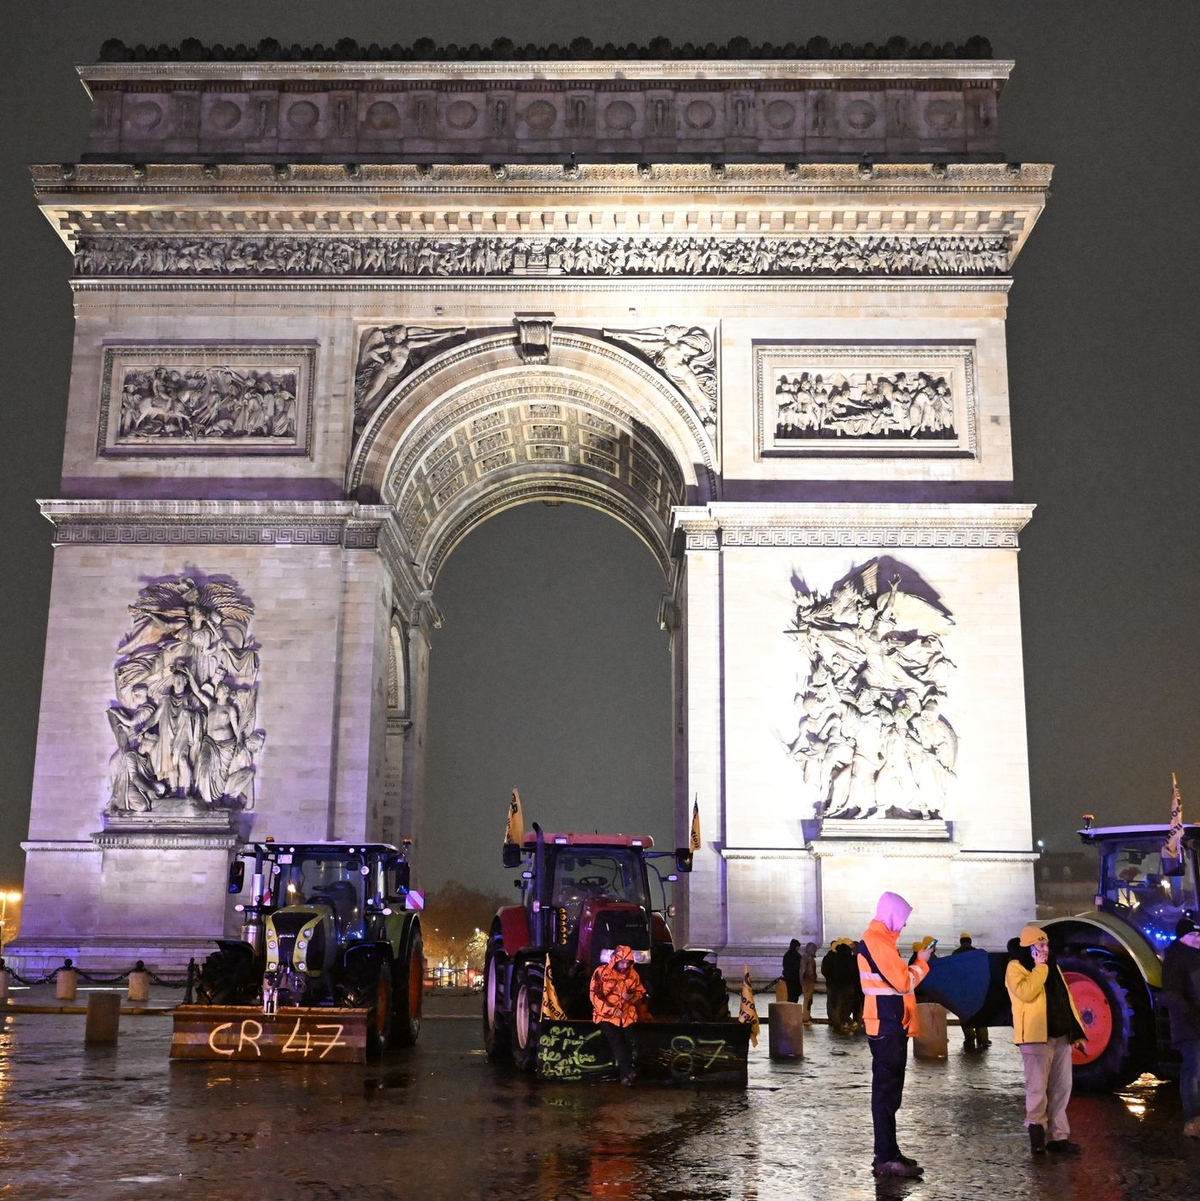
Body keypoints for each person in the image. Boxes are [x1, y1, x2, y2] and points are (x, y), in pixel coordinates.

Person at [858, 891, 932, 1179]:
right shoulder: (877, 942)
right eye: (901, 919)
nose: (902, 926)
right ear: (891, 916)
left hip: (890, 1023)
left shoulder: (883, 942)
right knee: (886, 1093)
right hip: (886, 1025)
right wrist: (922, 962)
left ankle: (890, 1152)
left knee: (890, 1093)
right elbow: (902, 982)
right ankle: (886, 1157)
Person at [1004, 924, 1086, 1155]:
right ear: (1030, 947)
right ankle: (1037, 1133)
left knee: (1061, 1088)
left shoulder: (1052, 967)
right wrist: (1040, 968)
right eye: (1041, 944)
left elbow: (1065, 999)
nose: (1046, 948)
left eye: (1047, 944)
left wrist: (1077, 1032)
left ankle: (1059, 1137)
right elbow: (1027, 992)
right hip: (1034, 1038)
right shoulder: (1015, 967)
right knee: (1037, 1089)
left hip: (1060, 1036)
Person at [1161, 912, 1200, 1137]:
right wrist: (1191, 1013)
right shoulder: (1176, 957)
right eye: (1194, 934)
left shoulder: (1194, 954)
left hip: (1195, 1022)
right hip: (1189, 1025)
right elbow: (1172, 995)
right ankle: (1192, 1121)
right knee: (1193, 1072)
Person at [590, 944, 646, 1086]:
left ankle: (626, 1076)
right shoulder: (601, 972)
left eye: (628, 962)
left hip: (627, 1016)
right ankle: (627, 1072)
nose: (625, 965)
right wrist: (612, 1010)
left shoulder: (634, 975)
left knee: (631, 1041)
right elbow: (595, 995)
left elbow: (640, 994)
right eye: (622, 962)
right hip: (606, 1016)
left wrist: (631, 998)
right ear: (615, 959)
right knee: (617, 1041)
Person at [952, 933, 991, 1049]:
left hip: (962, 990)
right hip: (977, 989)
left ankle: (970, 1036)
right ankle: (983, 1039)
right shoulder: (977, 953)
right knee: (980, 1014)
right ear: (970, 941)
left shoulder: (955, 954)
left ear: (961, 942)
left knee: (965, 1014)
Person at [800, 942, 818, 1023]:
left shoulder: (809, 958)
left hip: (810, 981)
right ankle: (805, 1015)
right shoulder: (806, 958)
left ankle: (807, 1013)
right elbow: (803, 971)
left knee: (809, 999)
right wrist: (802, 982)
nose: (815, 951)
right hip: (807, 981)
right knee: (807, 999)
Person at [781, 938, 802, 1004]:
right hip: (795, 979)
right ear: (797, 947)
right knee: (794, 995)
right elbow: (799, 967)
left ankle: (790, 1009)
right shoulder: (797, 956)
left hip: (788, 978)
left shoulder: (786, 955)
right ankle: (792, 1010)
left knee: (790, 994)